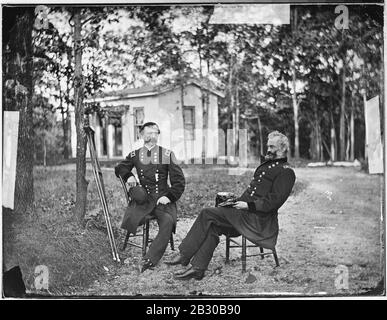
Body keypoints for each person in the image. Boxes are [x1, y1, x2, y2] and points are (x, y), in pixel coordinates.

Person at [165, 130, 296, 280]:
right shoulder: (269, 165)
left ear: (283, 148)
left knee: (207, 213)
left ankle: (184, 255)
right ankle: (198, 269)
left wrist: (248, 206)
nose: (268, 150)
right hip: (244, 215)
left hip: (258, 221)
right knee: (212, 225)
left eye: (272, 147)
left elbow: (274, 201)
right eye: (268, 146)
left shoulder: (286, 172)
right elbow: (254, 193)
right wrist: (234, 202)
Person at [115, 122, 185, 272]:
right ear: (141, 135)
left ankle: (149, 259)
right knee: (134, 218)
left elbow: (179, 182)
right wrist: (128, 175)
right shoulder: (135, 155)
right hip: (144, 201)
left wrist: (170, 197)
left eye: (155, 133)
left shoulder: (167, 154)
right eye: (149, 133)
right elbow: (120, 168)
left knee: (167, 221)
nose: (152, 136)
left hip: (162, 200)